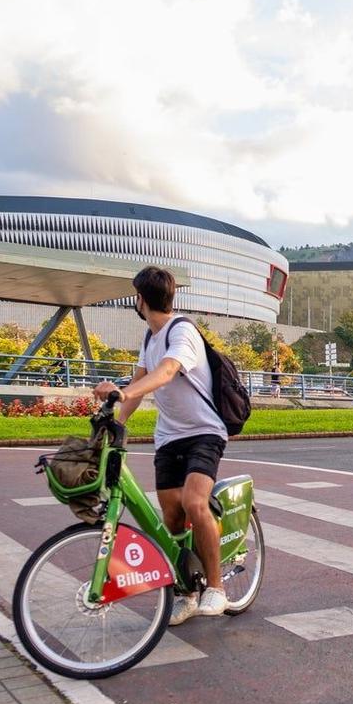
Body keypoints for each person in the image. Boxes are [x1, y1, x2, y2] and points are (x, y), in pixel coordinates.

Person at [93, 266, 229, 624]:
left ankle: (216, 587)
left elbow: (167, 372)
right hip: (169, 436)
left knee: (194, 502)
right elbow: (140, 382)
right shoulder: (149, 338)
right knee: (171, 516)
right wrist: (116, 422)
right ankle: (186, 591)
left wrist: (125, 390)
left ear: (141, 300)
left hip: (204, 431)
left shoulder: (181, 331)